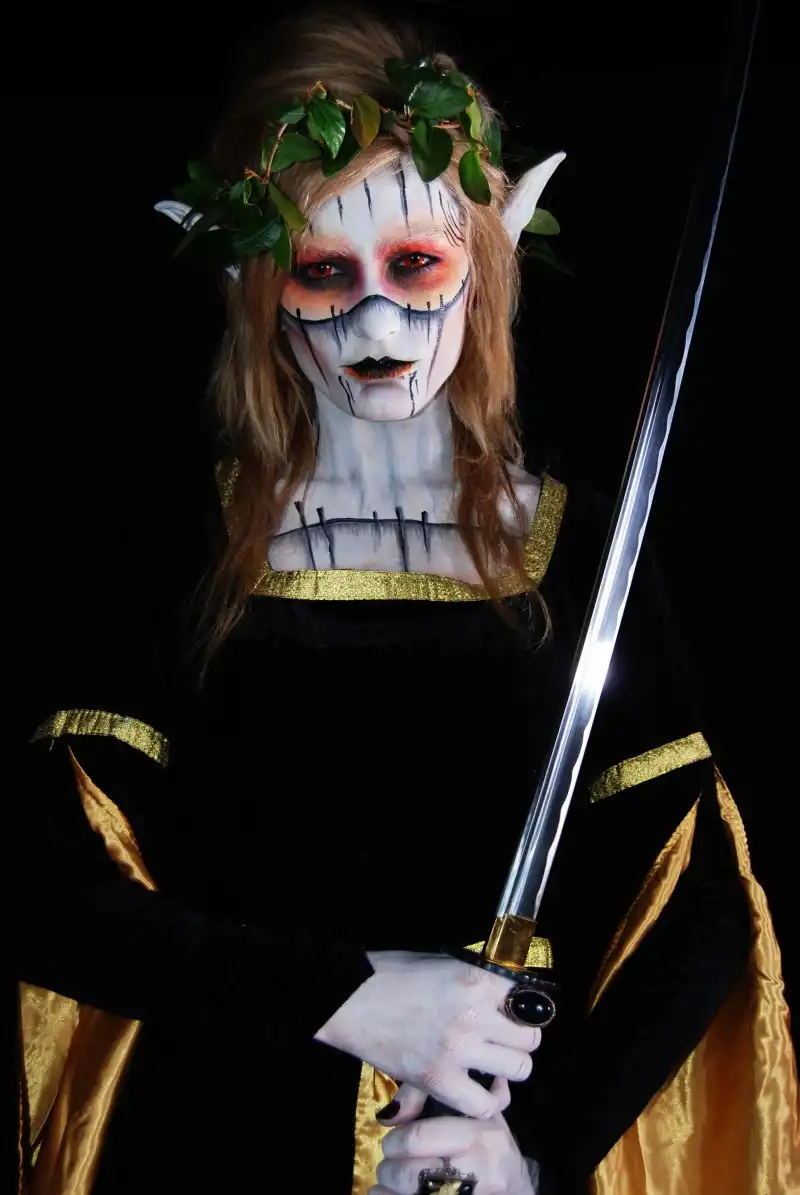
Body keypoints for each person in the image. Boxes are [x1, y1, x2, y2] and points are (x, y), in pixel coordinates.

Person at [13, 10, 797, 1195]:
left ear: (488, 257)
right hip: (223, 1132)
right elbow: (46, 884)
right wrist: (345, 994)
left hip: (483, 1133)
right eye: (324, 272)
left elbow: (691, 908)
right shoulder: (185, 544)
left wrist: (536, 1148)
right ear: (248, 281)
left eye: (415, 264)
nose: (377, 325)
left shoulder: (578, 550)